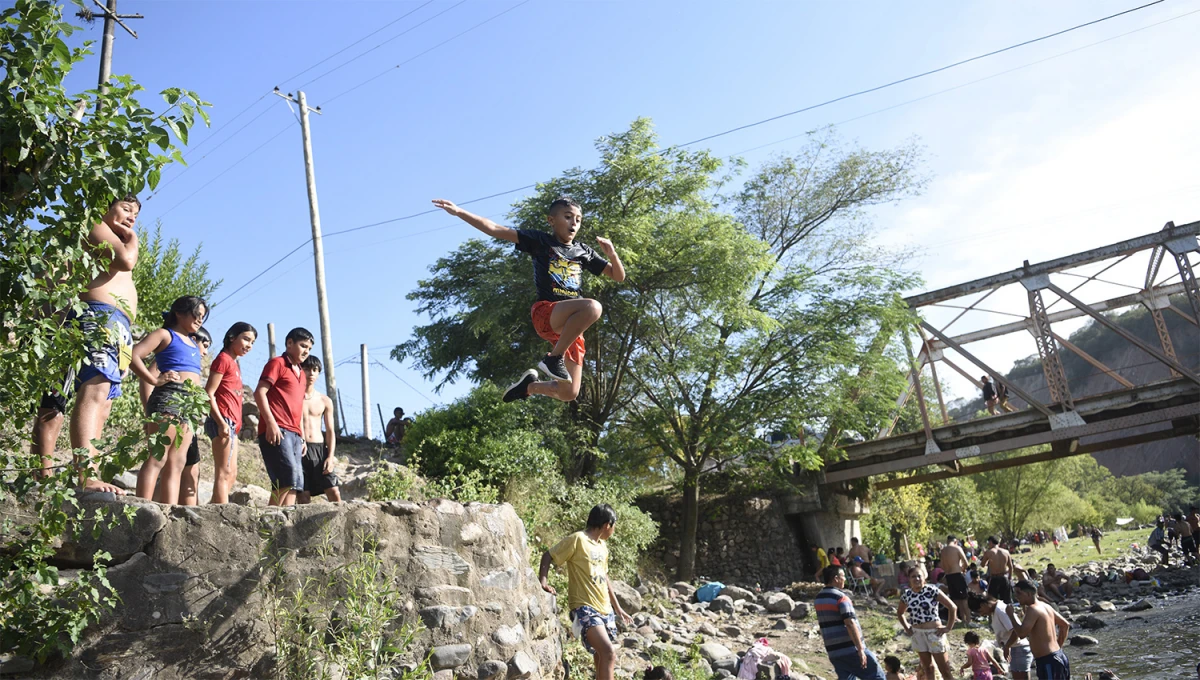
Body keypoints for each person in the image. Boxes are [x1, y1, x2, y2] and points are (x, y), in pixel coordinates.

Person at [432, 197, 625, 403]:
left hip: (570, 328)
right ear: (551, 220)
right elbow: (494, 228)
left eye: (578, 219)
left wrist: (612, 254)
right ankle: (553, 359)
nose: (574, 223)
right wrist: (459, 212)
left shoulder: (583, 251)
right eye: (568, 217)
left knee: (569, 393)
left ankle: (529, 386)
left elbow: (618, 275)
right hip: (547, 313)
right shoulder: (540, 241)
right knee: (593, 307)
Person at [31, 194, 141, 494]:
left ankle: (51, 470)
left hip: (117, 326)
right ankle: (84, 473)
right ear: (106, 207)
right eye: (126, 209)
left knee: (101, 402)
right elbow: (125, 261)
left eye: (136, 215)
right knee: (91, 388)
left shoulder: (112, 237)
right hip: (95, 318)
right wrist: (133, 240)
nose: (131, 218)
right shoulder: (97, 227)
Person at [539, 504, 633, 680]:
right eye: (614, 526)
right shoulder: (578, 539)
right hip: (584, 607)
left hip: (605, 609)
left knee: (601, 657)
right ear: (607, 525)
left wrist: (617, 608)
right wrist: (543, 582)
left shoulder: (602, 546)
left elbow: (605, 578)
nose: (613, 530)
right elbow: (548, 555)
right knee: (609, 653)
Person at [129, 296, 208, 503]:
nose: (200, 319)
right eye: (196, 314)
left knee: (178, 460)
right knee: (158, 456)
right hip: (169, 396)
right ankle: (141, 507)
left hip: (190, 404)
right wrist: (154, 379)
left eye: (202, 316)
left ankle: (168, 510)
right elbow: (133, 355)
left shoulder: (193, 342)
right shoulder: (164, 334)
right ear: (179, 313)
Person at [254, 327, 314, 507]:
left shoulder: (302, 374)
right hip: (277, 429)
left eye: (309, 349)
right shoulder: (278, 363)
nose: (306, 351)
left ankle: (283, 526)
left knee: (295, 484)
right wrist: (271, 424)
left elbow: (298, 406)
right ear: (289, 343)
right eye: (303, 346)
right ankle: (268, 524)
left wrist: (301, 436)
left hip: (295, 434)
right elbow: (259, 393)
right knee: (284, 480)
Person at [205, 322, 256, 504]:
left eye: (252, 342)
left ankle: (213, 507)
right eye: (246, 339)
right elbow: (208, 393)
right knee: (224, 471)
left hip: (232, 424)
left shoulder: (234, 363)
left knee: (232, 473)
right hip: (223, 420)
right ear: (232, 337)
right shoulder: (223, 360)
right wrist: (221, 422)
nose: (249, 345)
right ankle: (220, 512)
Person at [815, 565, 887, 680]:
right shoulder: (841, 598)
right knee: (877, 676)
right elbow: (850, 623)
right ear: (836, 578)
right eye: (843, 576)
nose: (845, 579)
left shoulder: (819, 598)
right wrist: (860, 649)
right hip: (850, 649)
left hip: (834, 652)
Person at [897, 565, 957, 680]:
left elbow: (952, 607)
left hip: (934, 633)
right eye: (913, 576)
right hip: (918, 634)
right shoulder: (907, 595)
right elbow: (900, 613)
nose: (916, 579)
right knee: (928, 669)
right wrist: (907, 628)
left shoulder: (932, 590)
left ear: (924, 577)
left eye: (919, 576)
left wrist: (948, 627)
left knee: (945, 669)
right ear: (909, 579)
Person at [175, 326, 211, 505]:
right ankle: (161, 506)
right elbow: (149, 378)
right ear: (193, 340)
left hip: (189, 419)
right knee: (173, 465)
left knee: (192, 468)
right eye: (204, 345)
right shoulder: (175, 354)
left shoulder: (191, 364)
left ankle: (190, 512)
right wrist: (148, 410)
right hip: (171, 413)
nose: (205, 352)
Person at [1006, 580, 1070, 679]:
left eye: (1019, 593)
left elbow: (1022, 634)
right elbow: (1065, 625)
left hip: (1048, 660)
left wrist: (1011, 615)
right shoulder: (1045, 606)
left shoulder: (1032, 609)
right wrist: (1058, 647)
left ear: (1029, 593)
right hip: (1057, 657)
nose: (1016, 596)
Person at [297, 356, 340, 504]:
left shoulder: (324, 400)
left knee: (334, 491)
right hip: (300, 449)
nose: (311, 373)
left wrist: (330, 456)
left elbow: (330, 431)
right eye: (307, 369)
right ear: (300, 370)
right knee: (303, 496)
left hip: (320, 449)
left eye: (315, 370)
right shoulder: (293, 398)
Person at [969, 592, 1033, 680]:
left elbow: (1016, 631)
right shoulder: (996, 610)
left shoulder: (1000, 610)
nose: (981, 614)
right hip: (1014, 649)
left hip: (1019, 649)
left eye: (980, 611)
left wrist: (1007, 646)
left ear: (983, 605)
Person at [940, 535, 970, 621]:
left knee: (955, 599)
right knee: (964, 599)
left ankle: (959, 618)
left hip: (949, 576)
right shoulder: (957, 548)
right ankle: (968, 619)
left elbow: (942, 565)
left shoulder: (943, 551)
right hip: (957, 574)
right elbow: (966, 562)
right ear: (955, 541)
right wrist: (962, 569)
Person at [979, 536, 1013, 604]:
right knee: (1007, 600)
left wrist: (986, 557)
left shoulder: (989, 552)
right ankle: (1009, 613)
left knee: (991, 599)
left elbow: (982, 565)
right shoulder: (1006, 552)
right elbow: (1010, 566)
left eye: (989, 543)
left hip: (994, 578)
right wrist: (1009, 577)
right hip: (1004, 577)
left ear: (991, 542)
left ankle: (993, 614)